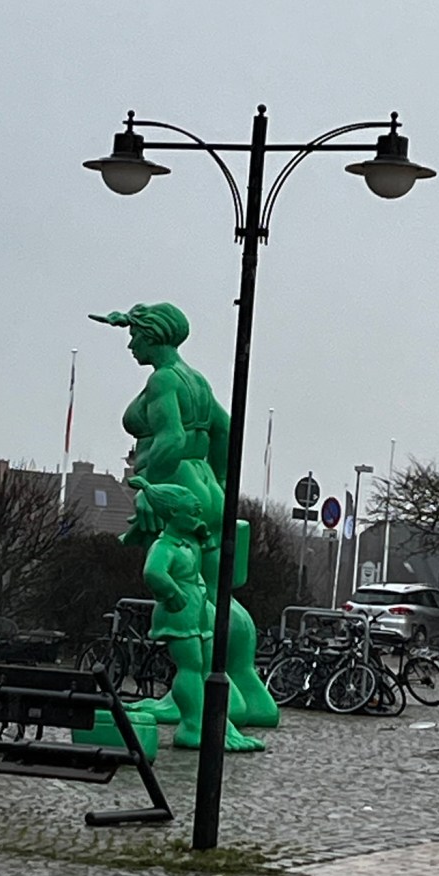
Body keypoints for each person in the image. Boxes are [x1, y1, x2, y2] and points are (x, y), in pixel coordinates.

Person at [91, 302, 278, 730]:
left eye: (134, 337)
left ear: (152, 336)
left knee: (188, 595)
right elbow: (225, 429)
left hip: (178, 486)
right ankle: (247, 691)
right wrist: (219, 480)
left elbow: (172, 437)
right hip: (206, 487)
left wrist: (149, 488)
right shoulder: (196, 380)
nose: (131, 345)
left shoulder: (163, 379)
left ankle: (205, 701)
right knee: (214, 593)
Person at [130, 477, 263, 752]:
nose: (197, 518)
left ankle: (217, 725)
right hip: (179, 613)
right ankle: (192, 726)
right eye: (192, 513)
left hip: (197, 611)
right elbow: (153, 572)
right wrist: (172, 592)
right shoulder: (165, 546)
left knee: (207, 667)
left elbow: (197, 558)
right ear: (173, 513)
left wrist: (201, 534)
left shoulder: (188, 542)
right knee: (190, 667)